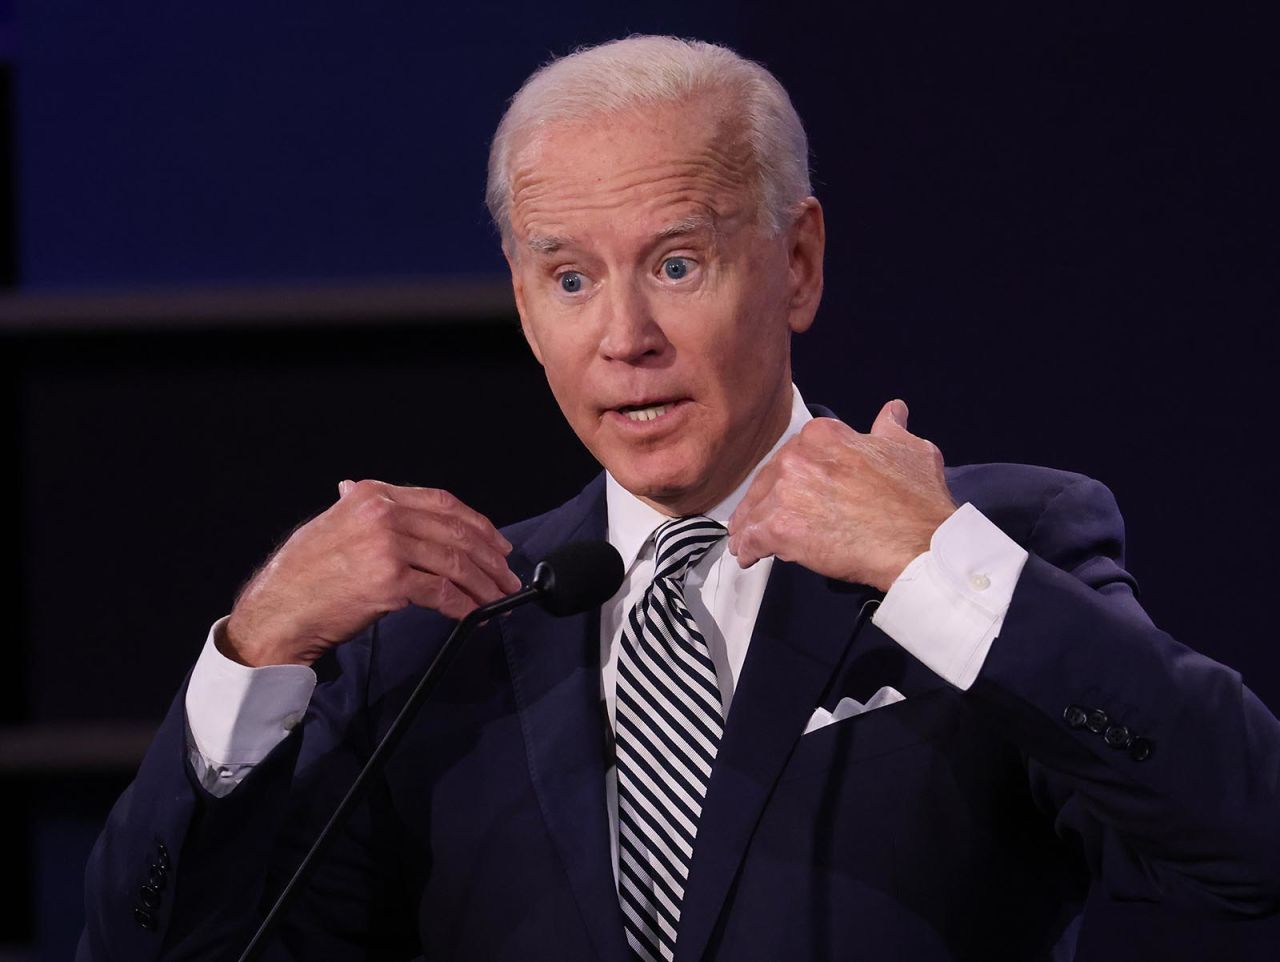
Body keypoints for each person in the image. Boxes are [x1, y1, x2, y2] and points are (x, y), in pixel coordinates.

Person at [79, 35, 1279, 962]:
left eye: (675, 263)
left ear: (796, 260)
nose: (624, 339)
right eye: (568, 277)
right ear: (520, 300)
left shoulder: (998, 545)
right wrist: (257, 649)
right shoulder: (449, 634)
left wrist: (939, 567)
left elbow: (1247, 847)